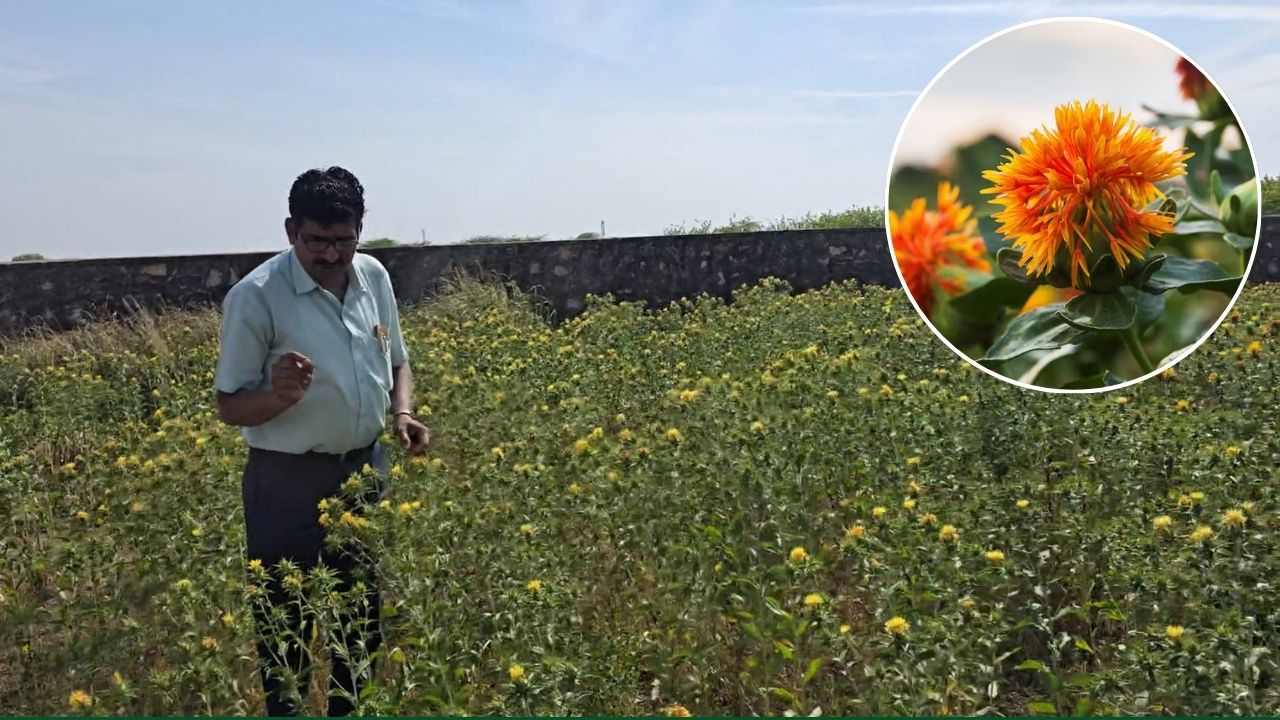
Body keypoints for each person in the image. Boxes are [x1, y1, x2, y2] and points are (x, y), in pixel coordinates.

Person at [213, 166, 431, 716]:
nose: (332, 255)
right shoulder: (256, 298)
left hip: (363, 471)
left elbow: (398, 358)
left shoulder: (374, 276)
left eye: (344, 240)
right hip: (284, 482)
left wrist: (401, 412)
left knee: (360, 623)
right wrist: (280, 396)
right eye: (317, 241)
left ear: (360, 230)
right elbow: (229, 406)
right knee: (285, 628)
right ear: (291, 231)